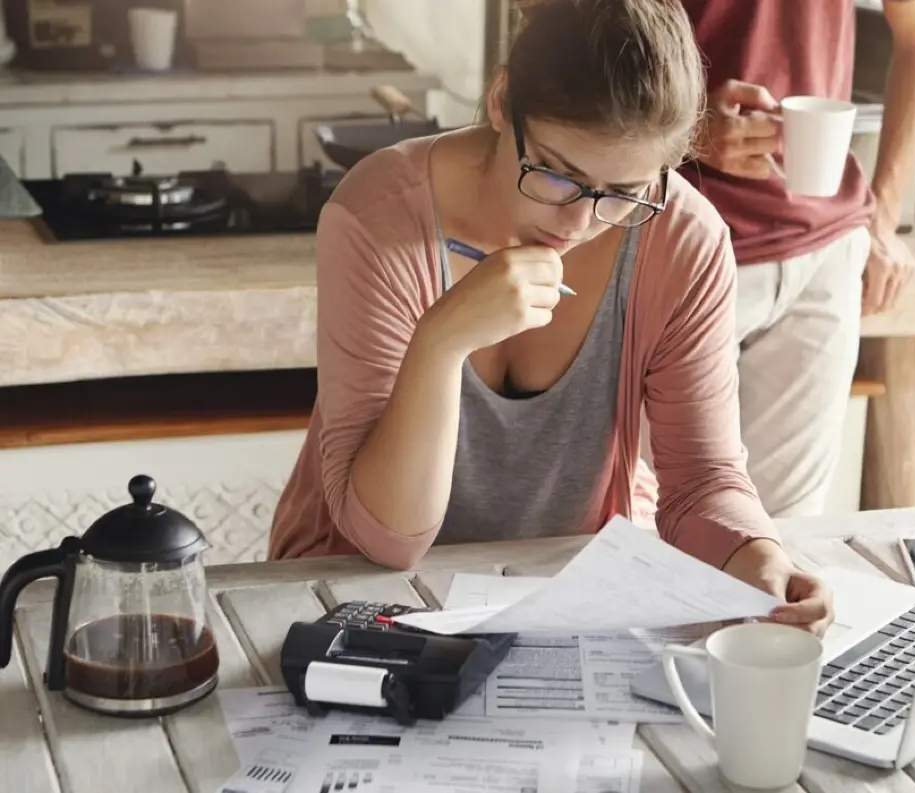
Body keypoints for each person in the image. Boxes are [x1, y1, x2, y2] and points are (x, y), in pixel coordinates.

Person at [268, 0, 833, 635]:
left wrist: (759, 561)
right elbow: (388, 539)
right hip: (353, 592)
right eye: (558, 175)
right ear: (503, 100)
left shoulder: (681, 240)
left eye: (623, 194)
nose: (579, 222)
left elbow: (701, 479)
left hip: (570, 593)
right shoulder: (377, 216)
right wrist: (441, 341)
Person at [677, 0, 915, 518]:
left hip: (823, 258)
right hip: (677, 246)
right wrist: (683, 124)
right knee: (656, 529)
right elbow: (571, 41)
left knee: (788, 548)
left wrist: (882, 217)